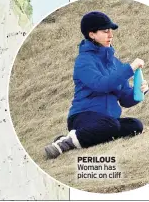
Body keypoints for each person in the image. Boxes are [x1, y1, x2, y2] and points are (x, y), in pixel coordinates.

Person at [44, 11, 148, 159]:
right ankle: (66, 142)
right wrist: (130, 68)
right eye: (105, 31)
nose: (110, 35)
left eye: (111, 31)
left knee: (136, 125)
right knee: (112, 125)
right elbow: (101, 85)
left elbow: (125, 99)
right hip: (83, 116)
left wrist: (140, 91)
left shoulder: (115, 63)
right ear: (91, 34)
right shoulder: (84, 61)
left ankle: (83, 137)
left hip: (108, 120)